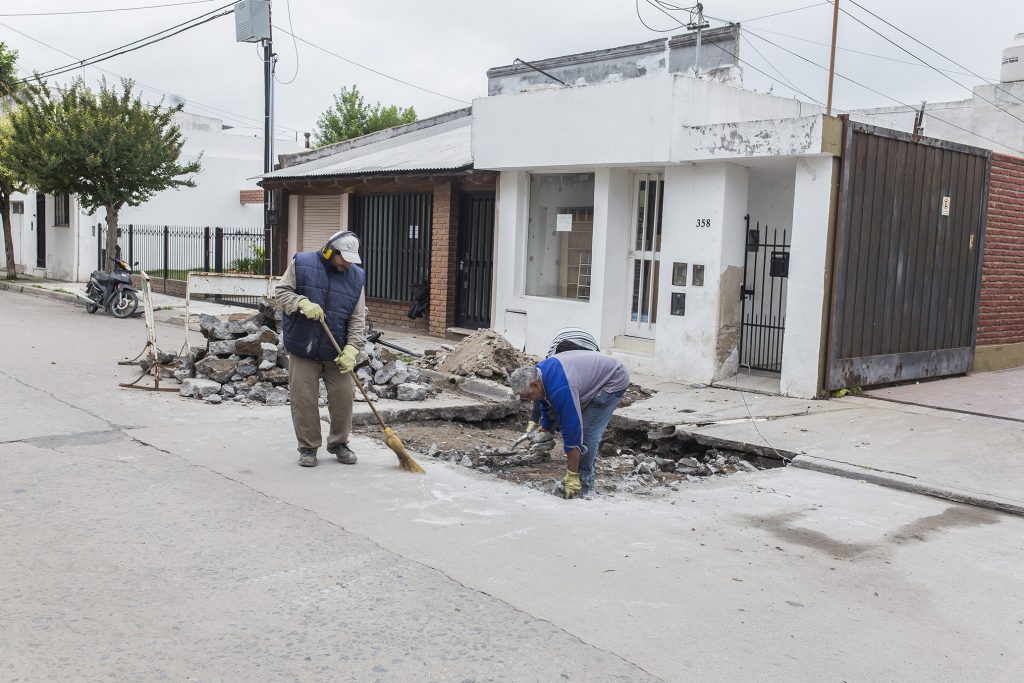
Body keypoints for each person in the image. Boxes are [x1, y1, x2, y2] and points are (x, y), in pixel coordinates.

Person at [274, 230, 366, 468]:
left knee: (344, 398)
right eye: (342, 258)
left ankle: (338, 443)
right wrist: (300, 302)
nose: (346, 264)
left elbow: (357, 319)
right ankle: (307, 447)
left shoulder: (356, 277)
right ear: (329, 252)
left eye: (350, 260)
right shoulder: (302, 263)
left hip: (336, 351)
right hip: (304, 346)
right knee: (303, 400)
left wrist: (352, 350)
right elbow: (282, 292)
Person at [509, 351, 630, 499]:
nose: (527, 399)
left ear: (535, 384)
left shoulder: (561, 389)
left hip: (613, 379)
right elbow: (544, 398)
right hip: (588, 376)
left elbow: (572, 432)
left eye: (527, 396)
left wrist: (572, 473)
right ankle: (580, 476)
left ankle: (583, 484)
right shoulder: (538, 374)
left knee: (586, 431)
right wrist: (547, 426)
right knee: (573, 418)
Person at [527, 327, 600, 432]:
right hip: (567, 339)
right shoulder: (549, 366)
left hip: (588, 346)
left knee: (577, 392)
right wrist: (532, 425)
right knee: (545, 390)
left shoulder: (586, 360)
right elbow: (540, 401)